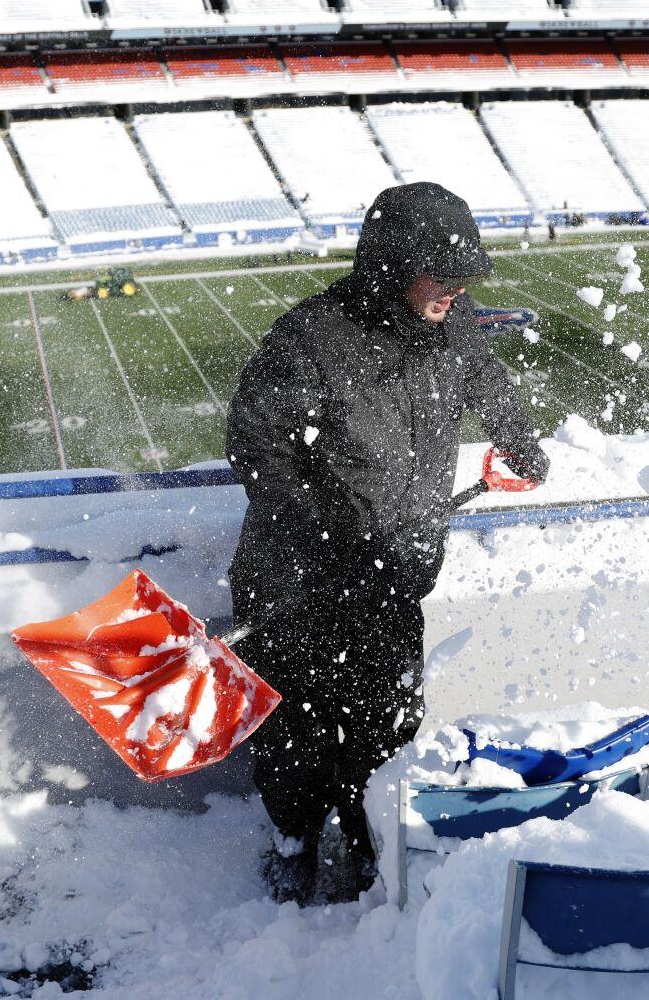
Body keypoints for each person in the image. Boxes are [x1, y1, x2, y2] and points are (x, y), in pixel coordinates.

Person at [225, 182, 548, 905]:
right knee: (295, 736)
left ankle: (369, 834)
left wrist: (517, 437)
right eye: (442, 276)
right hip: (298, 584)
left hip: (391, 574)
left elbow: (485, 377)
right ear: (393, 267)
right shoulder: (312, 337)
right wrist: (327, 532)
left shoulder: (451, 322)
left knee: (386, 727)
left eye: (464, 280)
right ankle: (295, 841)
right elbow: (255, 444)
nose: (456, 291)